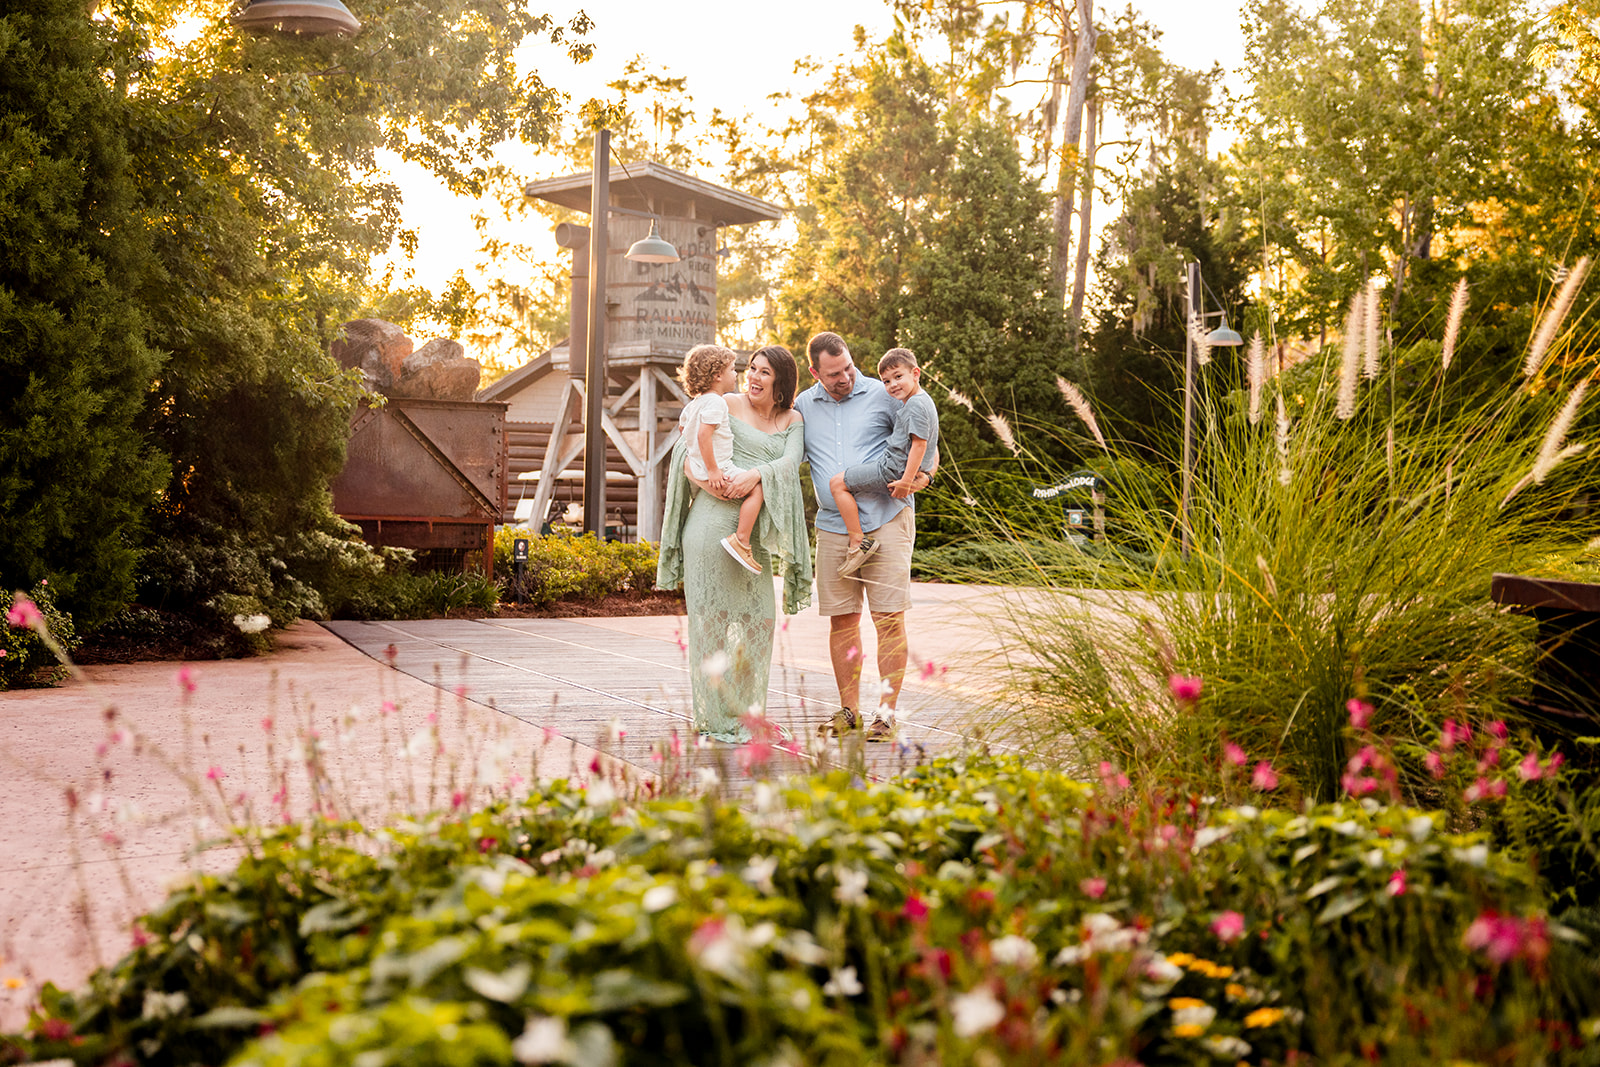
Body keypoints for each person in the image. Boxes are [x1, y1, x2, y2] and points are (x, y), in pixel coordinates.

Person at [656, 344, 812, 742]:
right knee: (714, 625)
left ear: (781, 381)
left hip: (750, 536)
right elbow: (685, 451)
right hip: (711, 525)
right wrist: (708, 479)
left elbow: (788, 462)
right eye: (751, 369)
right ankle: (717, 717)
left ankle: (746, 713)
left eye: (764, 372)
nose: (753, 378)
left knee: (758, 620)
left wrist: (756, 474)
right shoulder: (723, 401)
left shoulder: (792, 419)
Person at [795, 332, 935, 743]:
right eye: (835, 374)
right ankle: (848, 710)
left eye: (850, 367)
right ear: (815, 372)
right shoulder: (803, 405)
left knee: (889, 619)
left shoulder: (887, 394)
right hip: (833, 528)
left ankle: (886, 714)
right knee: (842, 621)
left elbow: (924, 438)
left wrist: (924, 476)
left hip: (888, 519)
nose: (846, 378)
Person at [828, 348, 939, 577]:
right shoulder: (922, 401)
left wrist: (906, 482)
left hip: (890, 470)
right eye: (886, 381)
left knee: (837, 484)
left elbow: (919, 445)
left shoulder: (915, 405)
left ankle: (858, 543)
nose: (892, 385)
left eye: (898, 376)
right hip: (896, 467)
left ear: (915, 373)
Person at [677, 345, 764, 574]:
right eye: (732, 369)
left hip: (697, 467)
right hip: (718, 467)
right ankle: (741, 540)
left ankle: (741, 540)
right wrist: (714, 470)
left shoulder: (695, 403)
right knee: (758, 487)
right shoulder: (717, 402)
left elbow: (683, 429)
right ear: (717, 375)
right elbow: (703, 435)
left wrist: (699, 463)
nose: (736, 374)